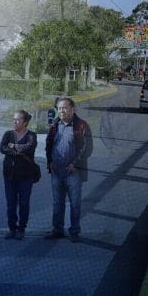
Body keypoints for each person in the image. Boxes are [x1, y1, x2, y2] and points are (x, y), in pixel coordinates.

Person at [45, 97, 93, 243]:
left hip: (74, 172)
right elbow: (48, 145)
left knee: (75, 203)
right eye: (59, 108)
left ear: (73, 109)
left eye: (64, 108)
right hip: (56, 171)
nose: (61, 111)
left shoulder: (81, 125)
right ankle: (57, 229)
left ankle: (74, 231)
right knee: (57, 202)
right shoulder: (54, 125)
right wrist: (50, 162)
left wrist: (75, 164)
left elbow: (87, 147)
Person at [0, 110, 37, 240]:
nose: (14, 122)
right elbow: (2, 148)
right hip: (9, 176)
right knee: (11, 204)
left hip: (26, 176)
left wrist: (14, 146)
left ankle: (22, 229)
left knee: (24, 203)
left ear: (25, 122)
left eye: (18, 119)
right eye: (13, 119)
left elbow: (29, 147)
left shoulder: (32, 135)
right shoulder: (8, 134)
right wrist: (15, 151)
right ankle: (12, 229)